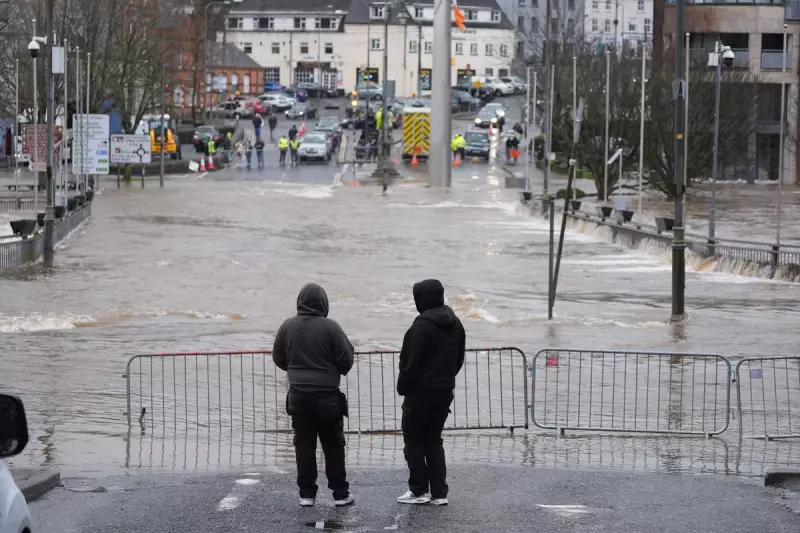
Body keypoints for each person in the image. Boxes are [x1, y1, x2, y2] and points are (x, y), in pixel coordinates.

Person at [273, 283, 356, 508]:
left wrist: (296, 370)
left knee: (304, 445)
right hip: (328, 397)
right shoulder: (331, 327)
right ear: (323, 303)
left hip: (298, 396)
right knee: (333, 446)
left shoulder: (287, 326)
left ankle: (306, 494)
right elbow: (346, 360)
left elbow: (279, 358)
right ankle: (340, 494)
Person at [396, 279, 465, 506]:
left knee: (414, 440)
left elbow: (409, 364)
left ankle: (418, 491)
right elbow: (458, 360)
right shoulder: (456, 325)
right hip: (444, 391)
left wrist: (403, 387)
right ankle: (439, 493)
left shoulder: (420, 328)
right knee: (434, 440)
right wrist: (446, 379)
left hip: (420, 394)